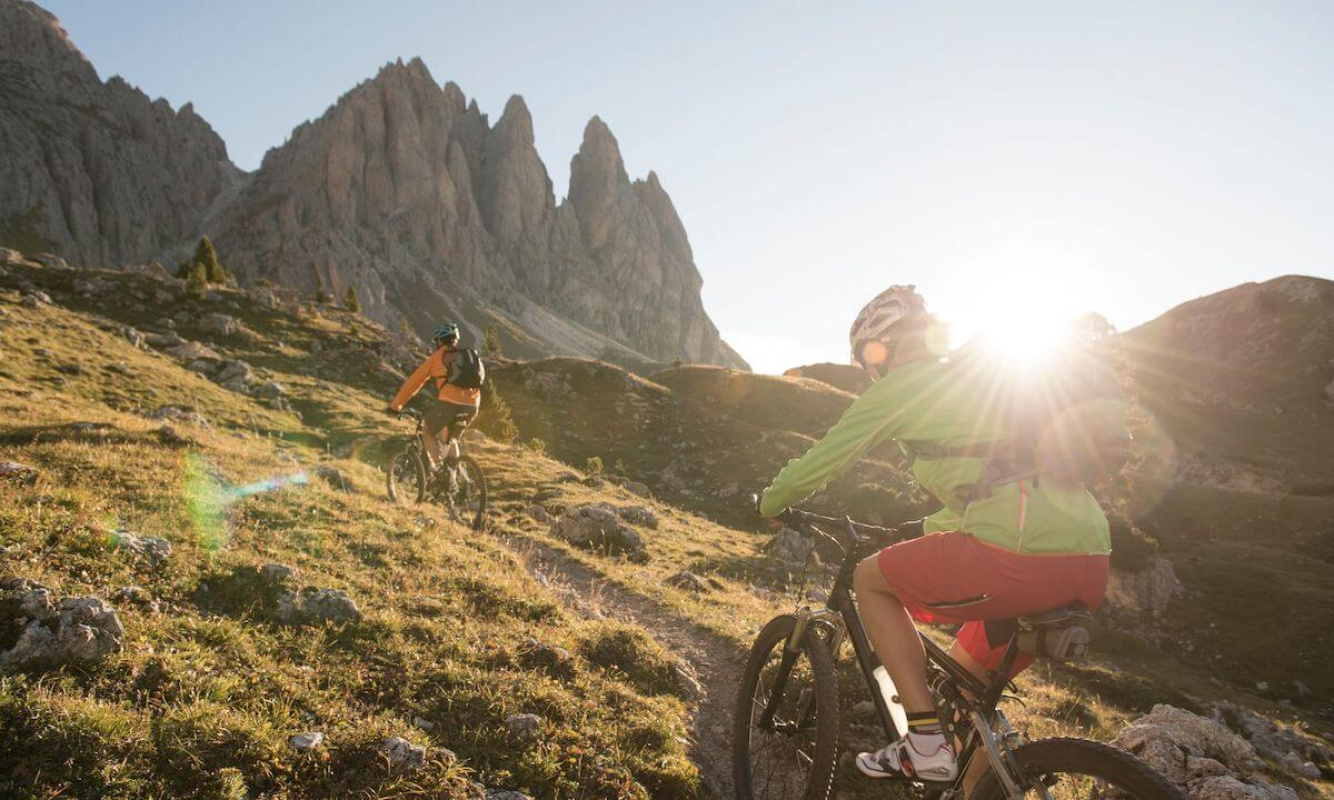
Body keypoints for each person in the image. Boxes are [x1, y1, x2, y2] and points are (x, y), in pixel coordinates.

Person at [758, 285, 1126, 784]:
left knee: (870, 580)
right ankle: (968, 771)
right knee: (967, 692)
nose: (873, 368)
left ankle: (924, 743)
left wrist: (772, 501)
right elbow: (994, 482)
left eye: (869, 356)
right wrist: (923, 529)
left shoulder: (902, 385)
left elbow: (825, 459)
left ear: (880, 346)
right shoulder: (973, 383)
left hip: (1018, 552)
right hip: (1089, 558)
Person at [387, 323, 482, 472]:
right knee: (449, 438)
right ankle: (454, 477)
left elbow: (413, 383)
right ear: (455, 339)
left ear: (439, 341)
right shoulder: (469, 355)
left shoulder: (437, 358)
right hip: (473, 405)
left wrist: (396, 406)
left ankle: (439, 469)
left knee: (428, 430)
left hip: (450, 403)